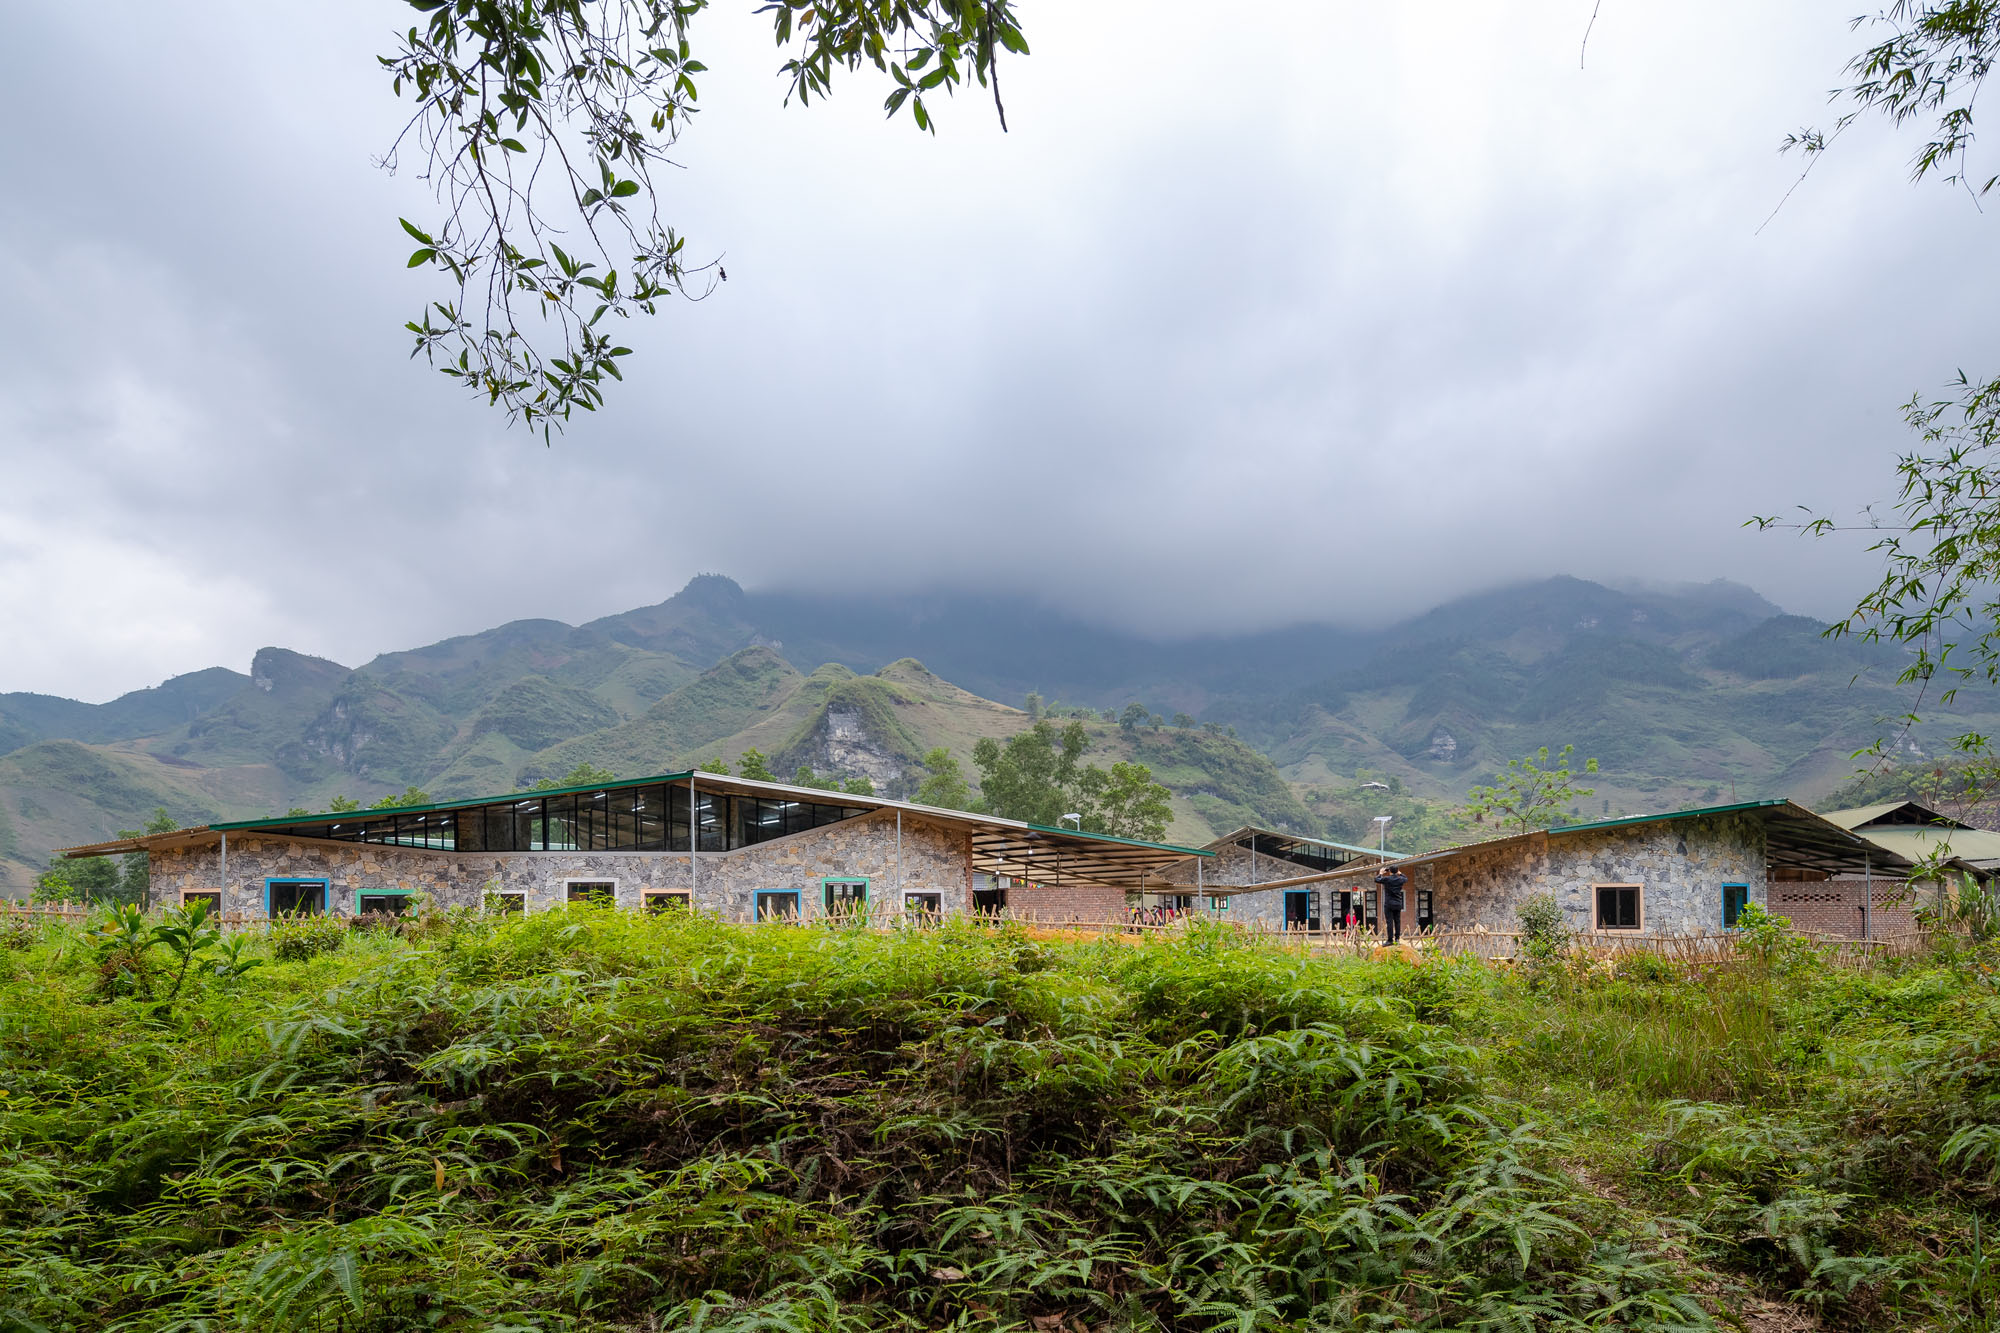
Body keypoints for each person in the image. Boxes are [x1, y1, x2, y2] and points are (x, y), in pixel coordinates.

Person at [1374, 864, 1408, 944]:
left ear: (1390, 872)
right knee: (1397, 921)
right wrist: (1400, 873)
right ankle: (1397, 939)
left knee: (1389, 922)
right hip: (1398, 903)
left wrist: (1380, 873)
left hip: (1389, 903)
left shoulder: (1387, 879)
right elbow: (1406, 878)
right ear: (1397, 871)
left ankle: (1390, 940)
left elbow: (1376, 879)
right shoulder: (1400, 879)